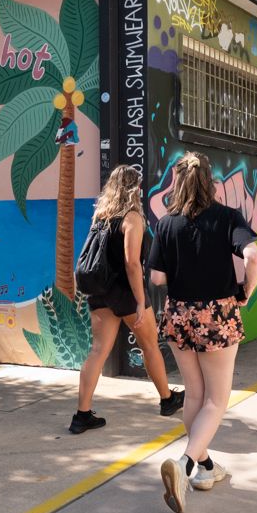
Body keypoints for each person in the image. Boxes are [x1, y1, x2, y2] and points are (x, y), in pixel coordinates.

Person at [149, 152, 257, 513]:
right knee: (216, 400)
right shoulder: (228, 217)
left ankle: (206, 468)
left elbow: (157, 278)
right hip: (218, 314)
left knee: (195, 395)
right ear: (209, 180)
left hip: (179, 313)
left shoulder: (166, 224)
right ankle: (184, 466)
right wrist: (245, 289)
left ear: (176, 182)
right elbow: (253, 256)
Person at [70, 165, 185, 434]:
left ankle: (82, 415)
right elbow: (132, 264)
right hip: (124, 292)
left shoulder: (101, 217)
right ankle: (167, 400)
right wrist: (140, 300)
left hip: (100, 292)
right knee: (149, 345)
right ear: (136, 188)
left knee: (98, 351)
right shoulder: (131, 217)